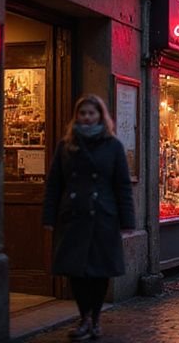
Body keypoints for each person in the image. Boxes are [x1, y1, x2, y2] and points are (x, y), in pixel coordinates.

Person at [42, 94, 135, 341]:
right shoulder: (66, 145)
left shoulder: (113, 145)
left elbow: (122, 185)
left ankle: (95, 319)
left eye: (91, 113)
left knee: (99, 271)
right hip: (73, 215)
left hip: (103, 216)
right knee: (76, 271)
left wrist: (127, 221)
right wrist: (49, 216)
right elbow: (54, 183)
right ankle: (84, 318)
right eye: (82, 113)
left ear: (100, 116)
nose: (86, 117)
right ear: (77, 116)